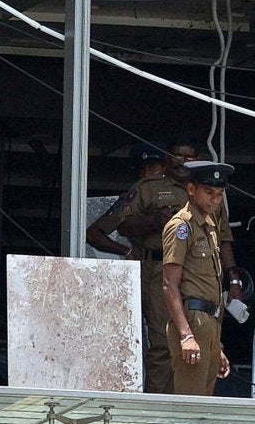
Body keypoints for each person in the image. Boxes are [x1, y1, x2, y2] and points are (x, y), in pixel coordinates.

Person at [89, 142, 193, 393]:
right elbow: (98, 231)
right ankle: (156, 403)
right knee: (162, 341)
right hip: (156, 267)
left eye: (154, 166)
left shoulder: (200, 187)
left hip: (194, 269)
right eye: (144, 168)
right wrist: (129, 247)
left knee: (199, 338)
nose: (149, 172)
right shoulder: (144, 191)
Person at [160, 160, 237, 396]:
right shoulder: (182, 226)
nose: (215, 199)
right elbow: (169, 284)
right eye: (209, 192)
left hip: (211, 321)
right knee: (190, 403)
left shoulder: (210, 225)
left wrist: (217, 347)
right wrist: (186, 336)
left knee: (204, 404)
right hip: (193, 321)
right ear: (191, 189)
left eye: (219, 194)